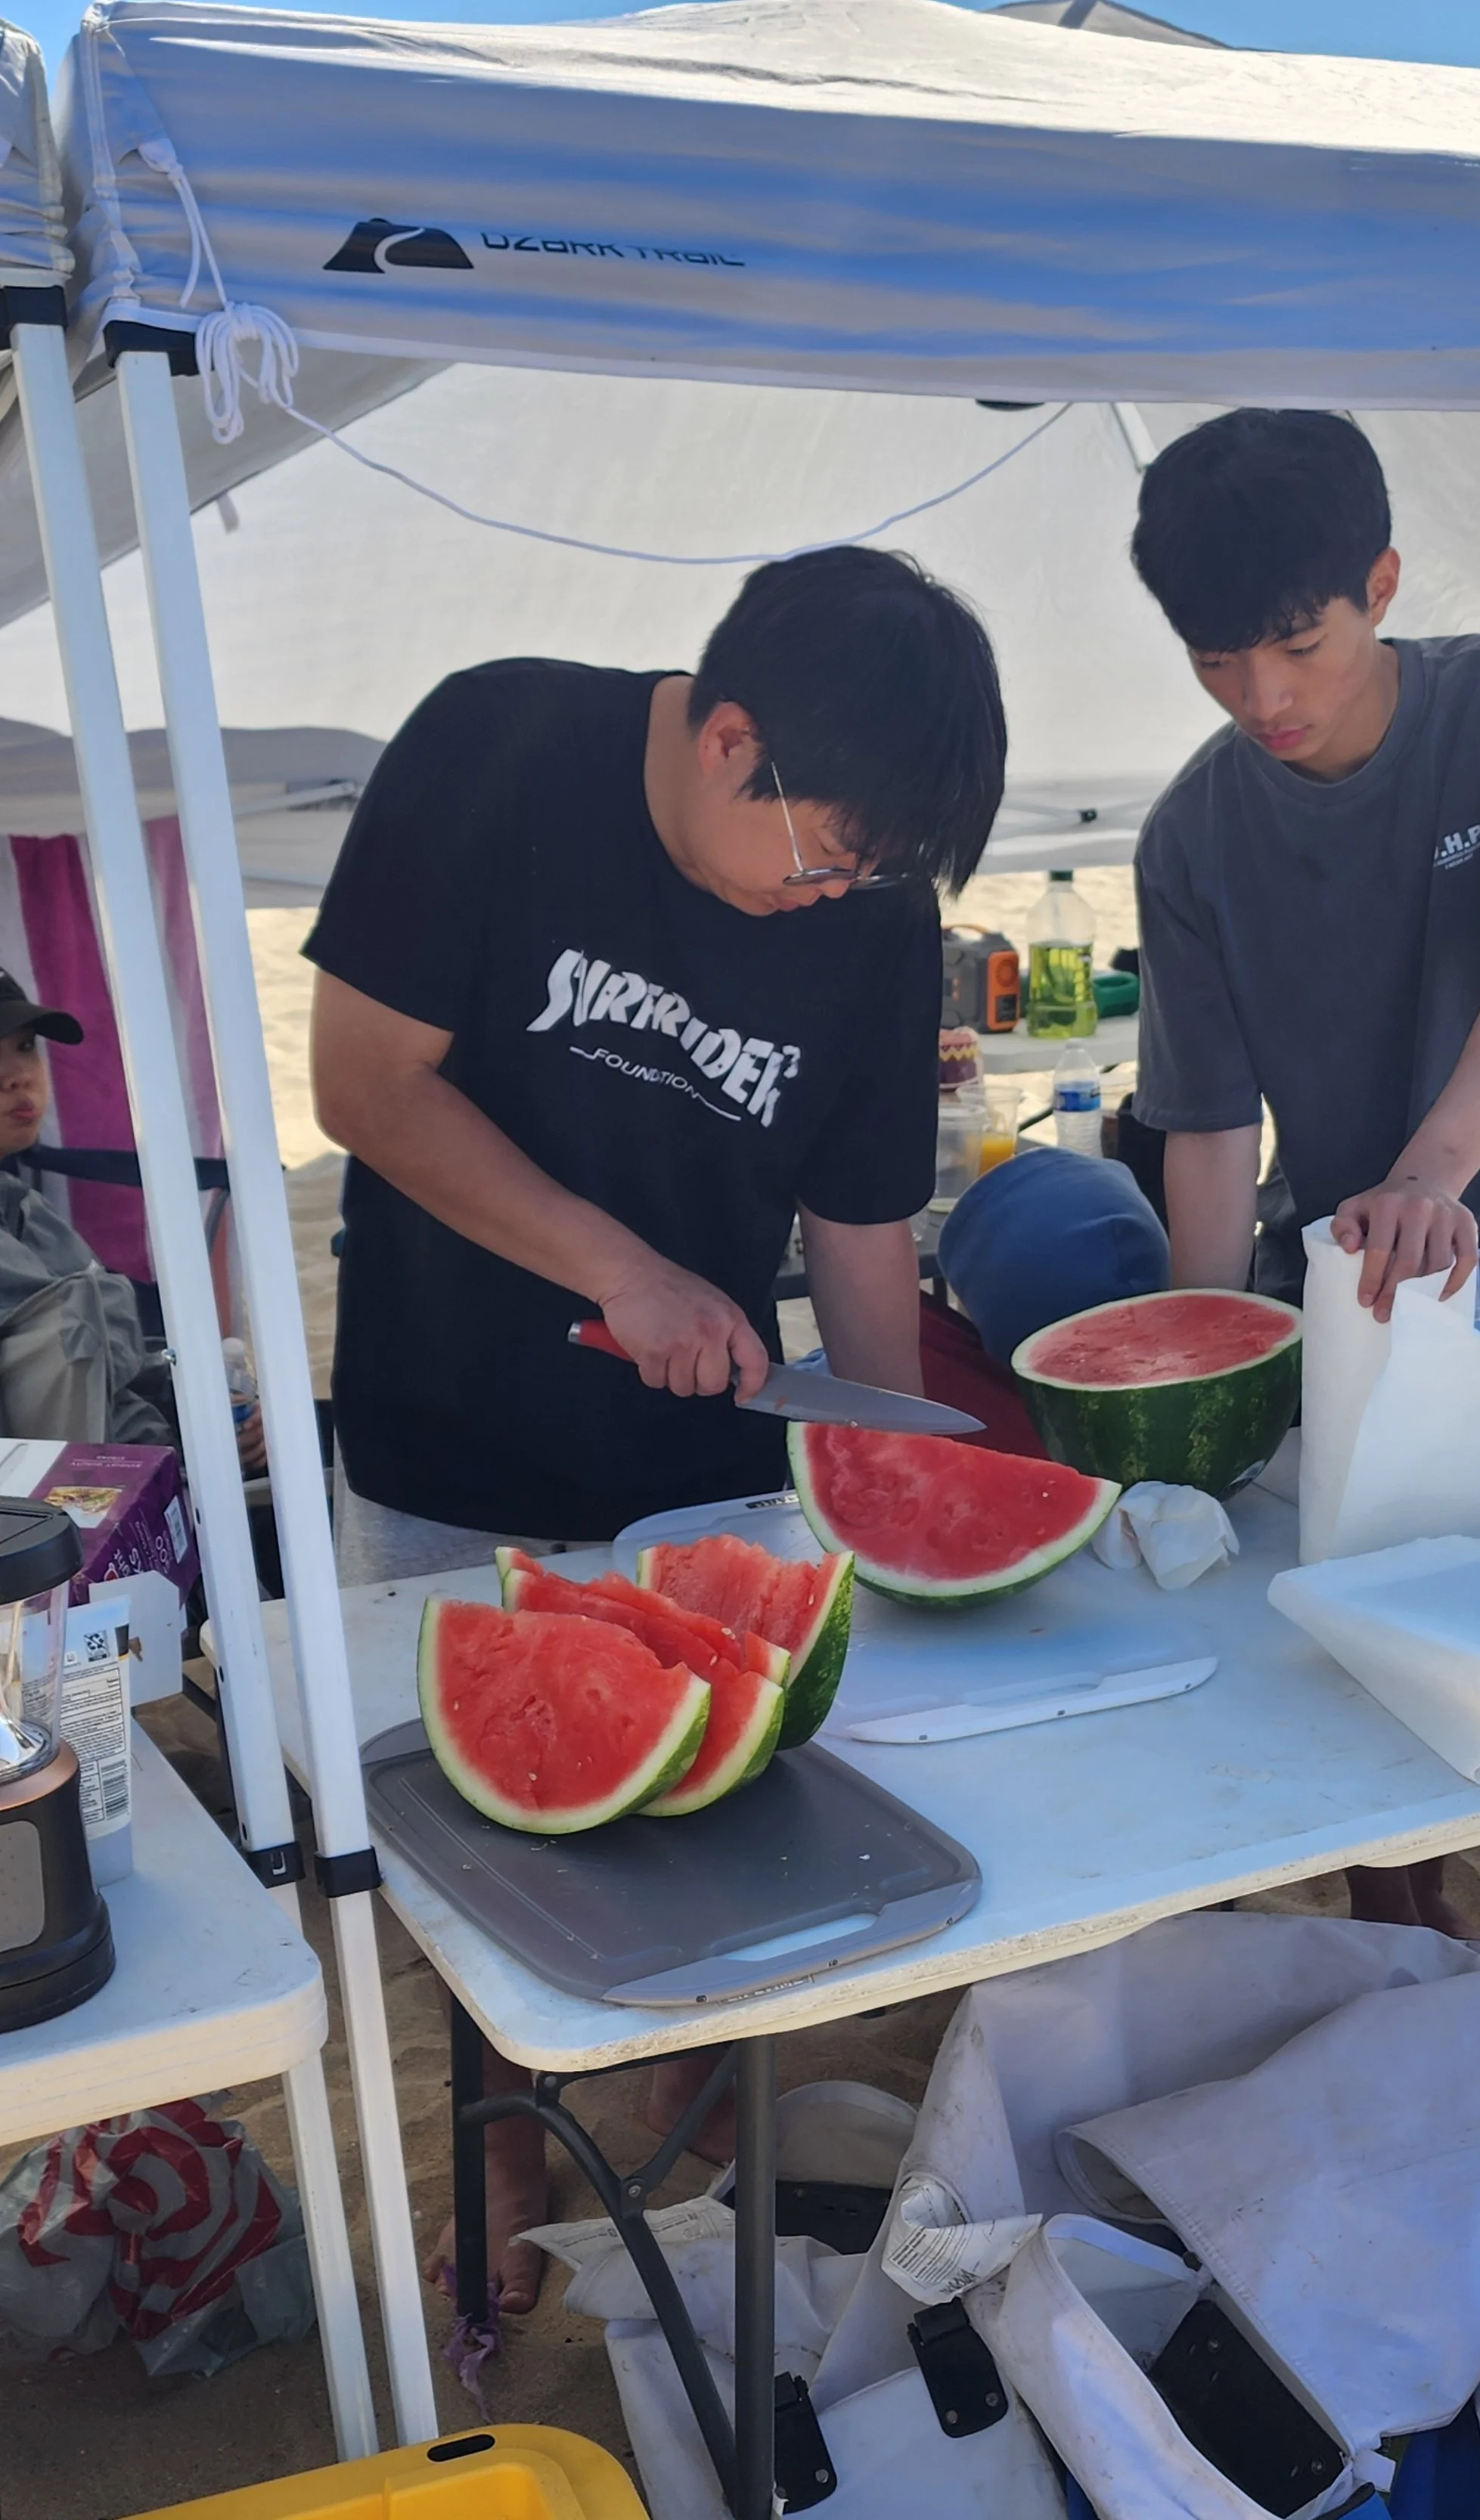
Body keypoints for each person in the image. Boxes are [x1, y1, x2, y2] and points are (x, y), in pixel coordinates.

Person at [306, 545, 1006, 2310]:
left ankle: (685, 2100)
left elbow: (859, 1230)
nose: (833, 897)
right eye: (821, 854)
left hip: (703, 1459)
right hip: (450, 1425)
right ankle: (502, 2154)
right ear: (726, 739)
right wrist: (623, 1270)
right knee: (485, 1849)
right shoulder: (493, 754)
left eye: (870, 875)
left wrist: (904, 1470)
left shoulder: (868, 912)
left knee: (704, 1821)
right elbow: (363, 1083)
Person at [1127, 408, 1480, 1933]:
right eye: (1216, 661)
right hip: (1349, 1264)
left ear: (1383, 583)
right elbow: (1209, 1126)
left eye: (1297, 644)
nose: (1262, 697)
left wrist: (1431, 1175)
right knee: (1359, 1613)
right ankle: (1403, 1917)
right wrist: (1192, 1360)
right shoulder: (1187, 835)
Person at [0, 973, 255, 1455]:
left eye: (26, 1046)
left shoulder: (22, 1208)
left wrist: (204, 1409)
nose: (18, 1077)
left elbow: (110, 1377)